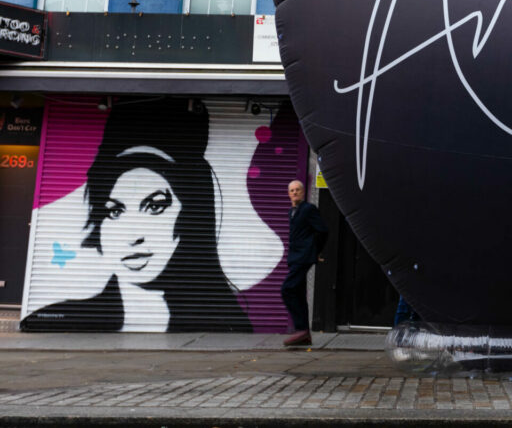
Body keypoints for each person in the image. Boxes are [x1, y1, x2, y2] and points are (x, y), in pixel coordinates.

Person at [22, 98, 252, 332]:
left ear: (192, 213)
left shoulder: (230, 325)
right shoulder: (57, 319)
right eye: (115, 211)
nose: (133, 236)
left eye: (155, 207)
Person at [281, 179, 328, 346]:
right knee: (299, 293)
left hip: (303, 257)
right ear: (288, 194)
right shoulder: (291, 211)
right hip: (294, 258)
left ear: (303, 192)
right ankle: (305, 335)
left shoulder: (309, 209)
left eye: (297, 190)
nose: (294, 192)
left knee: (287, 289)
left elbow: (323, 230)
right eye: (292, 190)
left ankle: (301, 329)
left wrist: (315, 251)